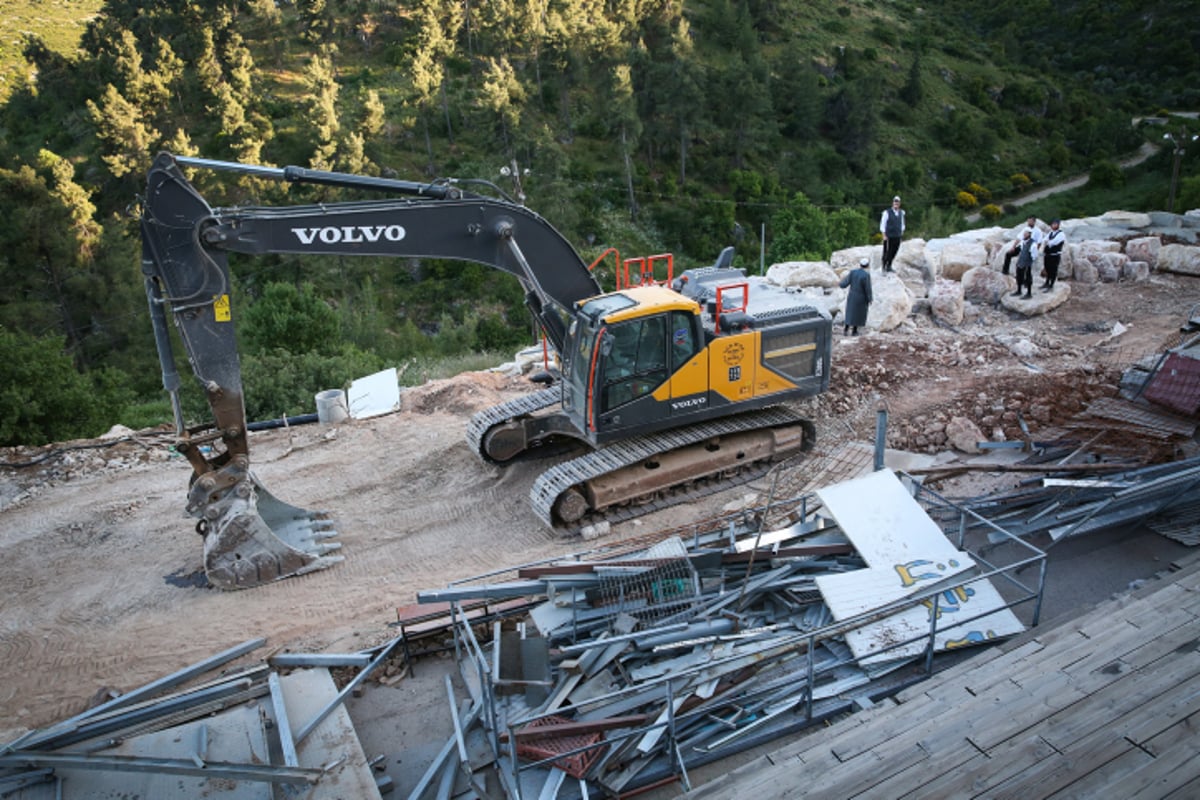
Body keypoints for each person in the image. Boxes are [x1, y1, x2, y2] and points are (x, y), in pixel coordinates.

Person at [840, 257, 873, 335]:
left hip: (852, 295)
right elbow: (867, 288)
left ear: (860, 265)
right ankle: (854, 331)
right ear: (867, 265)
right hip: (861, 297)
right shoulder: (866, 275)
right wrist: (870, 298)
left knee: (850, 313)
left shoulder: (853, 272)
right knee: (858, 314)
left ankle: (845, 330)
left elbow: (845, 283)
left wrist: (840, 284)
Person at [879, 196, 905, 273]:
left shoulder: (901, 213)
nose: (896, 204)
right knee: (887, 252)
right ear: (893, 203)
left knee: (894, 251)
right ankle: (883, 267)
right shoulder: (887, 212)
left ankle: (889, 266)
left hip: (897, 235)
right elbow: (883, 224)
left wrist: (901, 232)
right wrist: (883, 234)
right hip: (889, 236)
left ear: (899, 204)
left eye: (897, 202)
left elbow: (902, 224)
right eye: (895, 202)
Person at [1011, 229, 1038, 299]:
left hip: (1027, 263)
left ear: (1029, 234)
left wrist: (1029, 261)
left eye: (1026, 234)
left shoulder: (1033, 244)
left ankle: (1029, 293)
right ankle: (1019, 290)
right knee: (1019, 276)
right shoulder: (1023, 242)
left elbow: (1034, 255)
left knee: (1028, 277)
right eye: (1024, 234)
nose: (1024, 235)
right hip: (1021, 262)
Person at [1041, 218, 1065, 291]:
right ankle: (1047, 282)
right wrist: (1047, 241)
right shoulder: (1050, 233)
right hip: (1048, 254)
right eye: (1052, 224)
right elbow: (1044, 240)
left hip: (1055, 255)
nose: (1053, 226)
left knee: (1053, 270)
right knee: (1047, 269)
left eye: (1055, 224)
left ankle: (1051, 285)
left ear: (1058, 225)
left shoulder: (1061, 234)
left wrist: (1048, 241)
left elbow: (1053, 242)